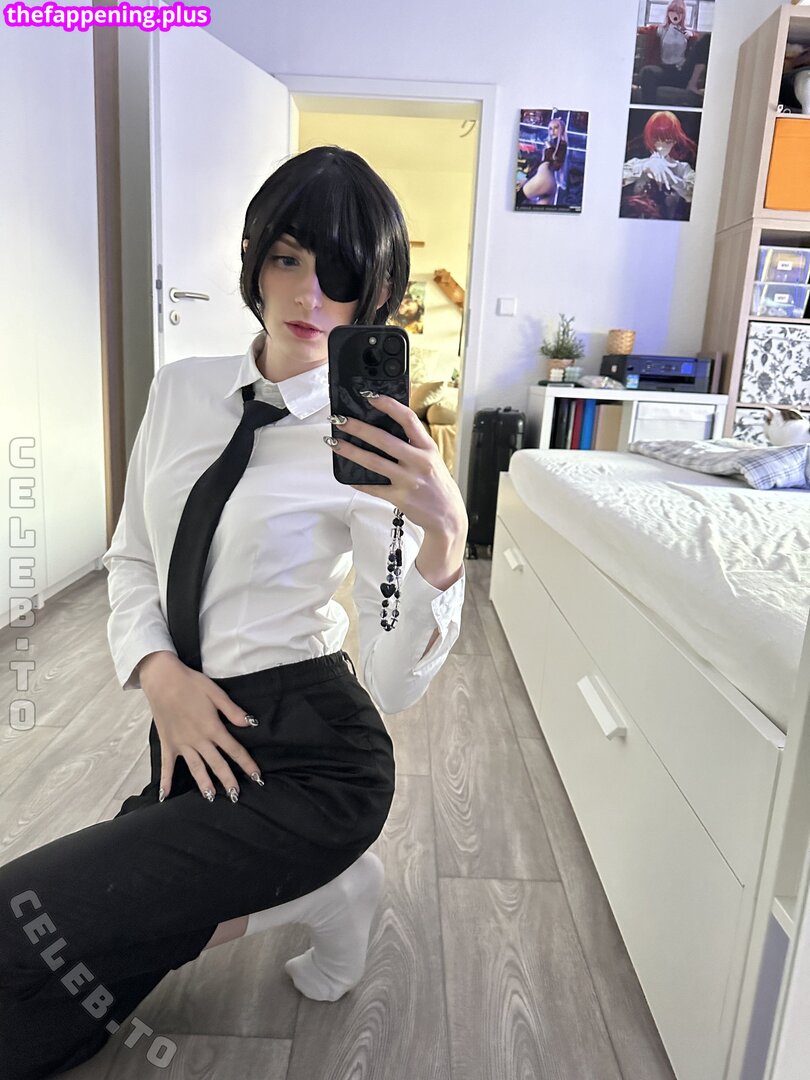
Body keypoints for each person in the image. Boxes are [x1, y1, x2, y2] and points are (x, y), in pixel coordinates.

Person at [0, 145, 468, 1080]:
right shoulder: (180, 390)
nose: (308, 295)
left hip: (316, 756)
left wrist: (444, 537)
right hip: (196, 730)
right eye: (287, 258)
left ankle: (319, 879)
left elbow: (391, 682)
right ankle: (320, 896)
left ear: (376, 296)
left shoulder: (370, 448)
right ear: (254, 261)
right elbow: (133, 554)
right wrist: (159, 674)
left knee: (22, 926)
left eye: (341, 276)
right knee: (39, 1033)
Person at [621, 110, 697, 220]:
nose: (661, 146)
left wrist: (672, 179)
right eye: (656, 140)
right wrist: (643, 167)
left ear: (675, 141)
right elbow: (611, 181)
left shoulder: (682, 168)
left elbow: (695, 195)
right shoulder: (637, 163)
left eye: (667, 141)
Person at [515, 116, 568, 208]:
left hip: (544, 179)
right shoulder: (554, 143)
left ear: (562, 129)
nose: (552, 131)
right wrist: (527, 177)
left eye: (556, 128)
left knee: (518, 198)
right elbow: (542, 163)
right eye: (550, 128)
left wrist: (549, 147)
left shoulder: (561, 144)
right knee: (539, 210)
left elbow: (556, 165)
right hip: (548, 181)